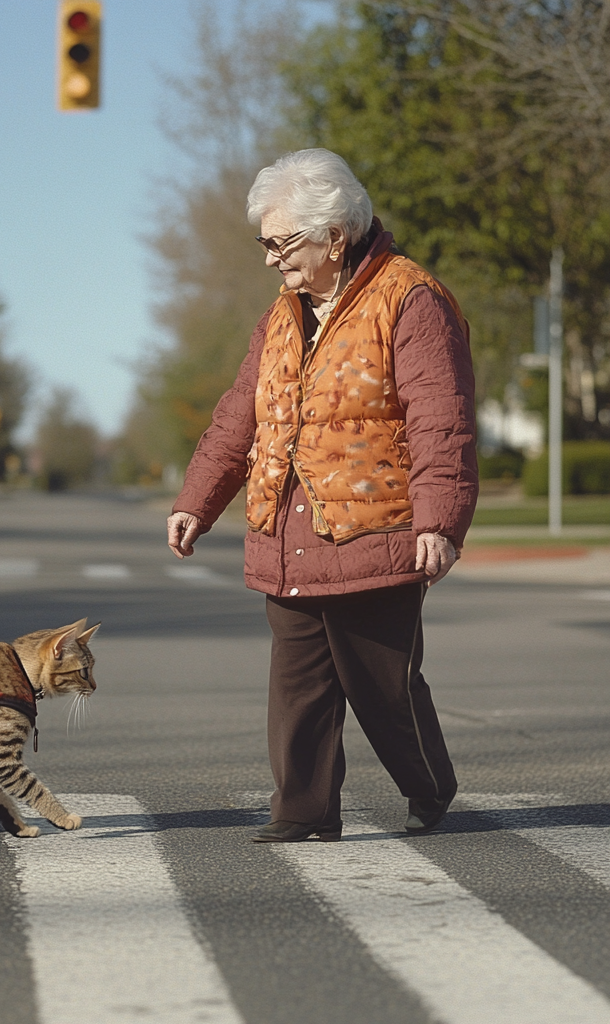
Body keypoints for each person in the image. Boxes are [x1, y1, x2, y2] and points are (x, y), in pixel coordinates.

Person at [167, 148, 477, 842]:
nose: (272, 259)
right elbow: (239, 413)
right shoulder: (281, 317)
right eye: (266, 244)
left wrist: (440, 521)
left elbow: (441, 416)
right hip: (289, 529)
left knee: (381, 685)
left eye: (281, 243)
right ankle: (304, 812)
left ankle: (430, 787)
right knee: (298, 687)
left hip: (376, 525)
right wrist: (197, 501)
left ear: (334, 236)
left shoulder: (410, 298)